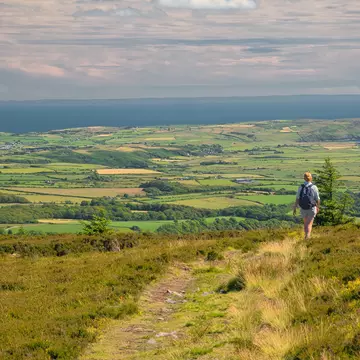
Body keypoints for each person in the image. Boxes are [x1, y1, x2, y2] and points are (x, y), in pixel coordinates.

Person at [293, 172, 320, 239]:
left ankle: (306, 236)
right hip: (312, 208)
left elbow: (297, 198)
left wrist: (295, 207)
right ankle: (307, 237)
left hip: (303, 208)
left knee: (305, 223)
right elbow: (317, 199)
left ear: (304, 178)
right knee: (309, 224)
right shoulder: (314, 187)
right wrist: (317, 207)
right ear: (311, 178)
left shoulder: (301, 187)